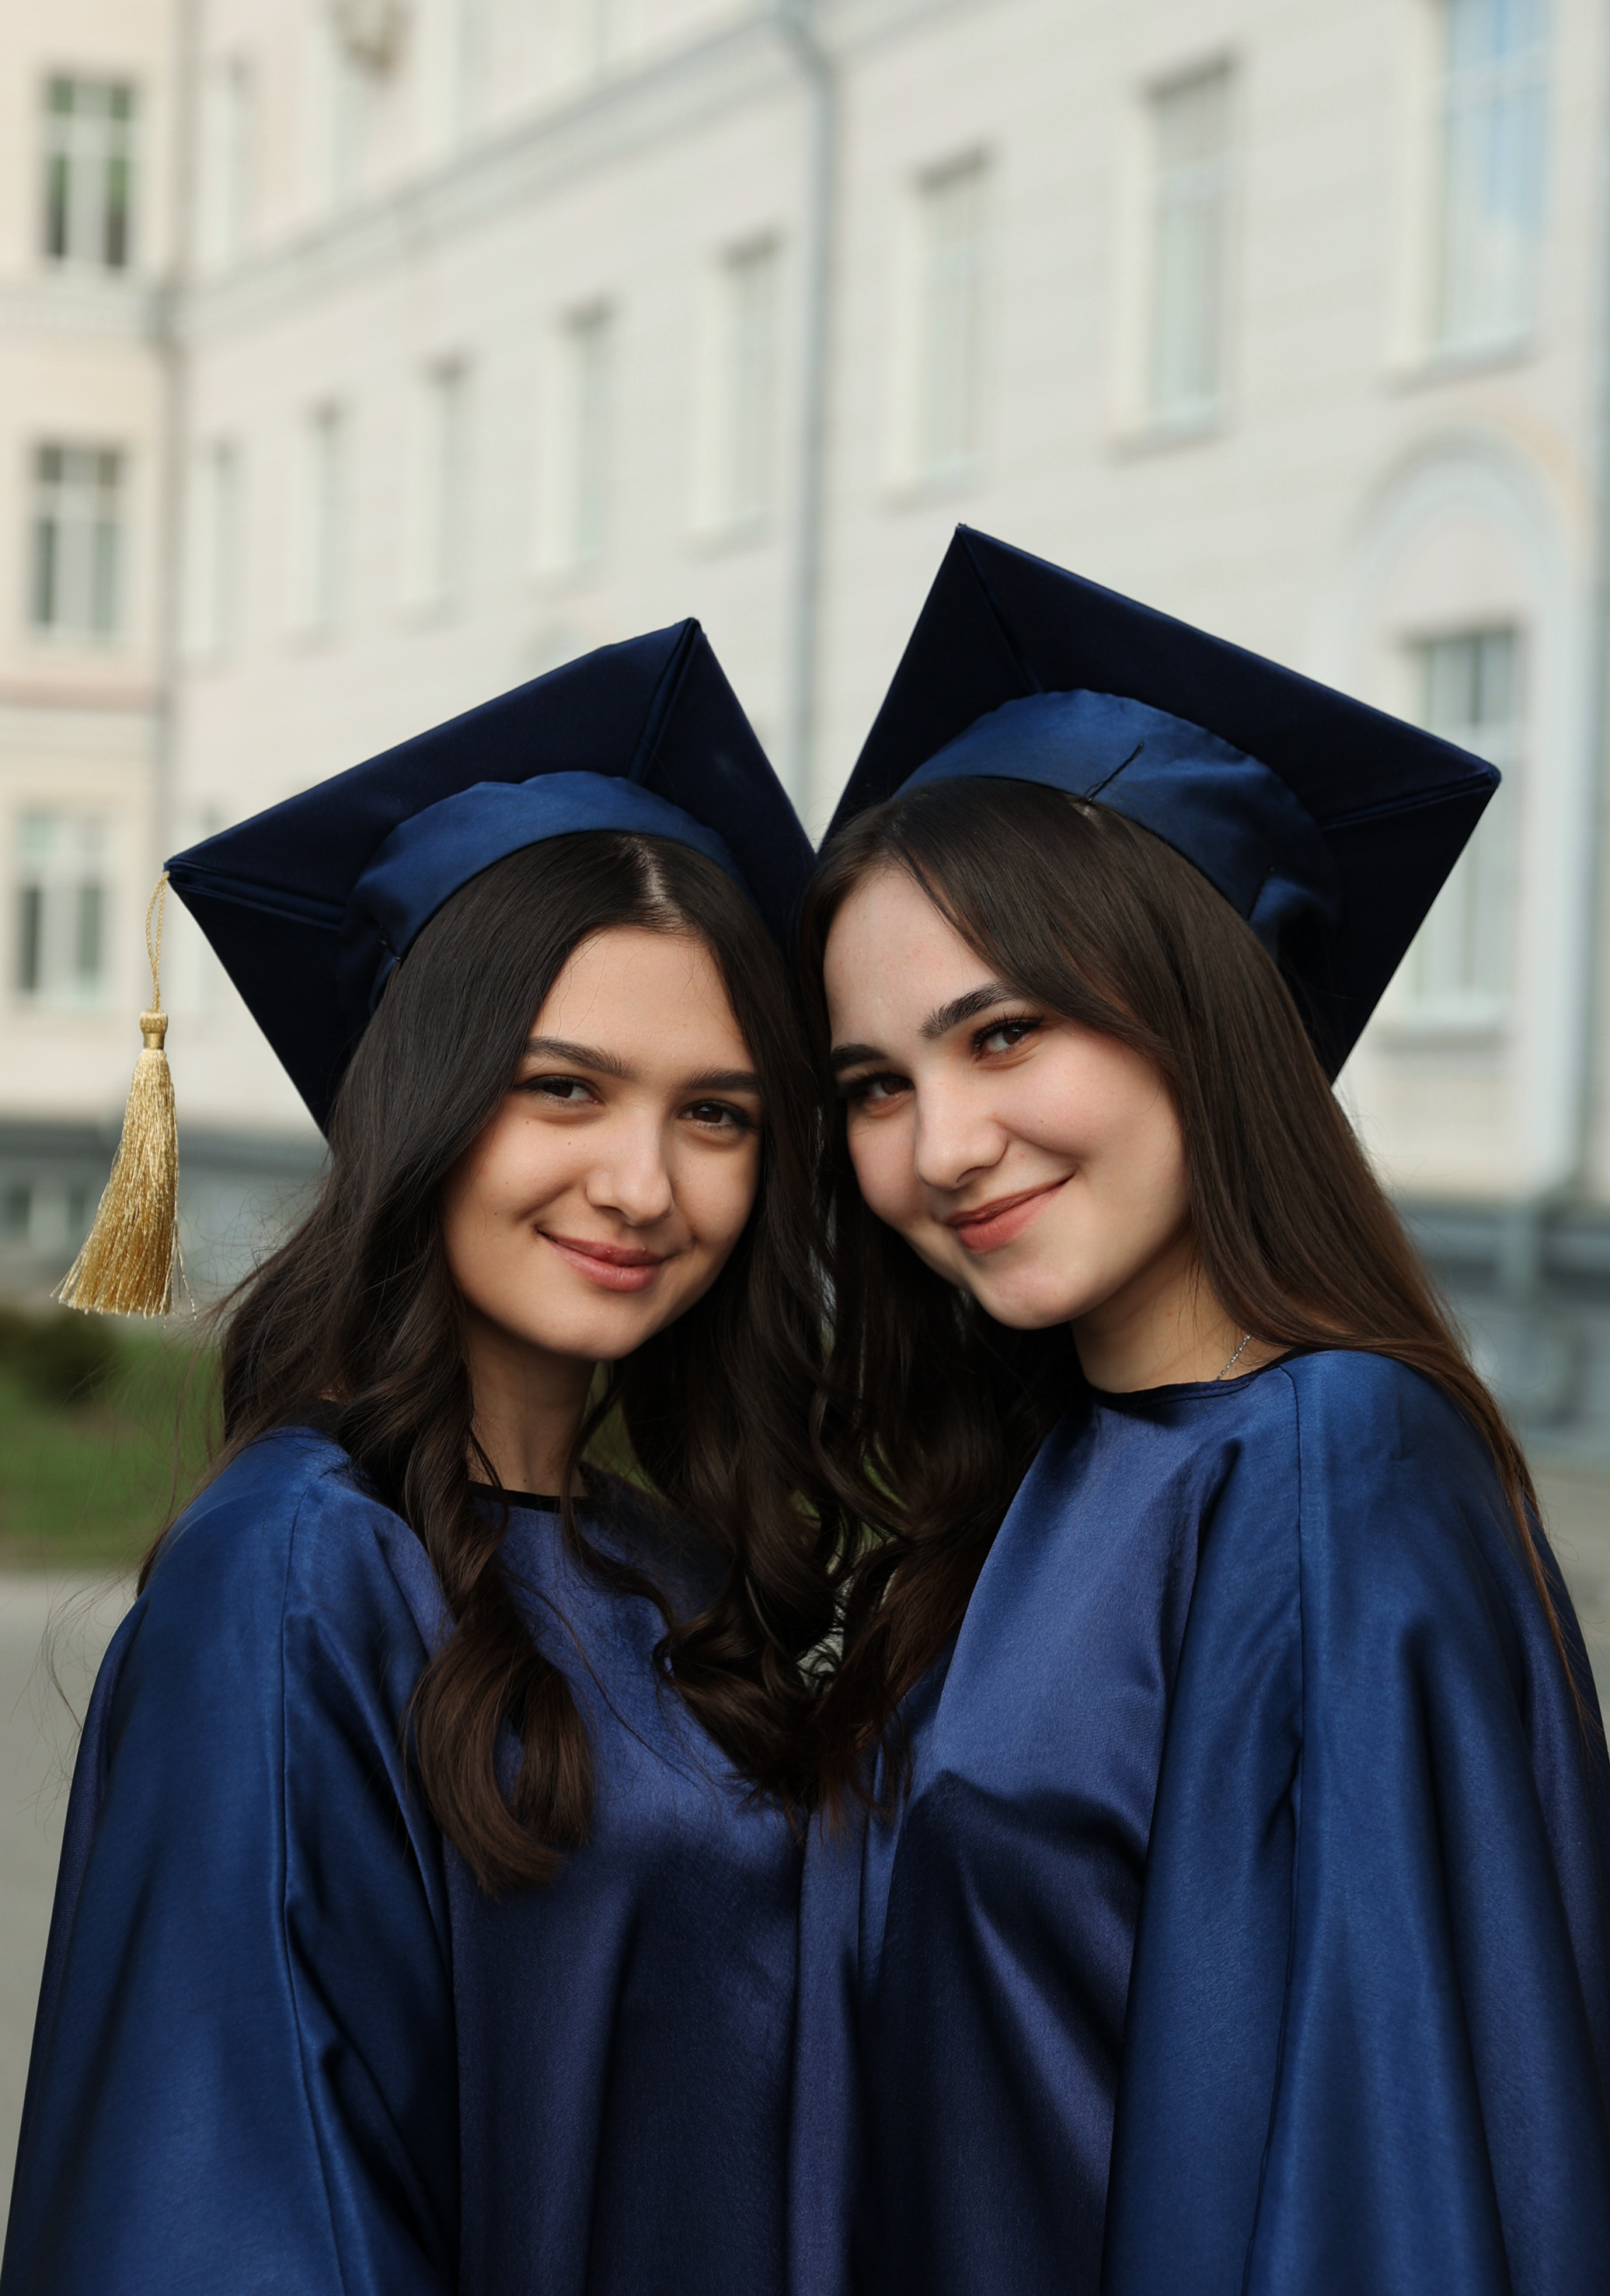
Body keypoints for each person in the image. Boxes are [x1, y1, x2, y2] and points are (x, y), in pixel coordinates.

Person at [796, 529, 1610, 2296]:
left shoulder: (1329, 1474)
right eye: (875, 1083)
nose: (938, 1147)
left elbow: (1367, 2182)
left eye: (1002, 1033)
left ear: (1197, 1011)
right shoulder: (1044, 1468)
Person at [2, 623, 852, 2296]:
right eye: (563, 1088)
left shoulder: (669, 1572)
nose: (641, 1183)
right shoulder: (305, 1571)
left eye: (717, 1112)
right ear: (426, 1103)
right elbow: (236, 2201)